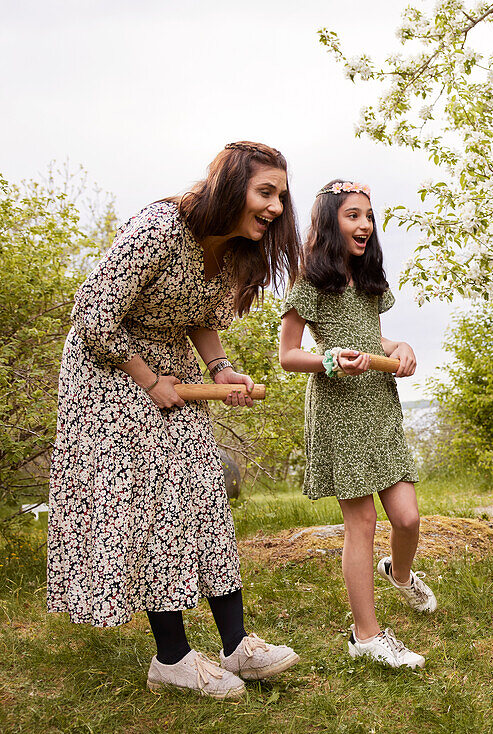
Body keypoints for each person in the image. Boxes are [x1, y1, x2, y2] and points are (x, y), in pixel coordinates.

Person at [48, 141, 303, 699]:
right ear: (232, 187)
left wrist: (223, 369)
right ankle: (173, 658)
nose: (277, 208)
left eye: (281, 196)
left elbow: (200, 321)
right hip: (108, 368)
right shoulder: (158, 228)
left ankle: (235, 645)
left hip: (170, 368)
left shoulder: (234, 249)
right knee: (155, 505)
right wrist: (149, 379)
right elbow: (92, 315)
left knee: (202, 491)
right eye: (267, 192)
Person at [279, 179, 436, 670]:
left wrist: (400, 348)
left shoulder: (369, 279)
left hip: (379, 402)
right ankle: (365, 636)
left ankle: (401, 574)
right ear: (330, 222)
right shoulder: (309, 281)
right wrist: (329, 359)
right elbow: (287, 355)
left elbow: (377, 338)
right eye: (353, 215)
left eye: (368, 215)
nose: (365, 224)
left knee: (407, 518)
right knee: (362, 522)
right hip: (339, 406)